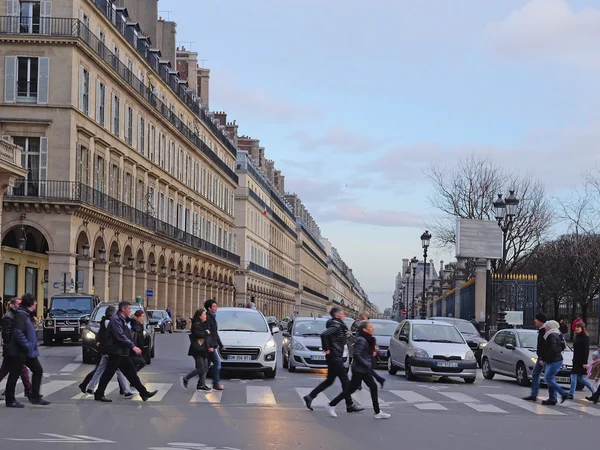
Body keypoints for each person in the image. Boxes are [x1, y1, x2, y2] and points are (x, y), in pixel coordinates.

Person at [93, 301, 157, 403]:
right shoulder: (115, 320)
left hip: (122, 352)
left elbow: (128, 330)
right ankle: (99, 394)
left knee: (131, 374)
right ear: (123, 309)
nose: (130, 311)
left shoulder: (121, 319)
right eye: (129, 309)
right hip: (116, 352)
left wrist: (131, 319)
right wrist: (133, 346)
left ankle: (144, 393)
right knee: (108, 374)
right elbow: (120, 336)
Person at [303, 306, 362, 413]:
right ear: (337, 315)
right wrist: (326, 349)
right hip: (335, 357)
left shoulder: (338, 325)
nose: (344, 315)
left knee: (330, 381)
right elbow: (324, 335)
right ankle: (349, 405)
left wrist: (355, 342)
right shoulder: (336, 325)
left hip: (334, 357)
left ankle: (310, 396)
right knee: (345, 381)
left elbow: (343, 337)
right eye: (342, 313)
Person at [326, 321, 390, 419]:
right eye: (370, 327)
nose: (373, 328)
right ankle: (331, 404)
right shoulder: (362, 340)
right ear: (364, 329)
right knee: (351, 390)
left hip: (362, 369)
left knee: (371, 387)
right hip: (360, 370)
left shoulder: (367, 339)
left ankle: (377, 412)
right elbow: (357, 354)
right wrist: (366, 363)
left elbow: (362, 352)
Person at [4, 293, 49, 407]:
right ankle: (10, 400)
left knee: (38, 370)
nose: (36, 304)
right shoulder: (21, 315)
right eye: (35, 302)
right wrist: (28, 345)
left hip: (26, 351)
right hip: (20, 351)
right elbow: (18, 333)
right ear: (31, 304)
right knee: (14, 375)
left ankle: (34, 396)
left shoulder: (25, 314)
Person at [79, 306, 132, 397]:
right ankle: (126, 391)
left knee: (100, 369)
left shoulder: (106, 321)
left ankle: (90, 388)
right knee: (119, 370)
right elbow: (114, 334)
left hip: (105, 349)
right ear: (112, 313)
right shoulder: (109, 322)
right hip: (109, 350)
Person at [0, 298, 32, 399]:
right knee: (11, 370)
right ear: (13, 305)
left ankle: (29, 390)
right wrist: (12, 346)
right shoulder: (8, 317)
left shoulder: (16, 315)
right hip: (11, 350)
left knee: (21, 370)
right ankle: (29, 391)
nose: (20, 305)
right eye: (18, 304)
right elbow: (6, 335)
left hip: (15, 349)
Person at [181, 308, 211, 391]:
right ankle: (186, 378)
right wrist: (206, 332)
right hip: (198, 349)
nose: (206, 316)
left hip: (203, 348)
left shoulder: (204, 324)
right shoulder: (197, 325)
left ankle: (201, 384)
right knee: (201, 368)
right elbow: (198, 334)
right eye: (204, 315)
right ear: (199, 316)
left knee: (205, 367)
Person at [541, 320, 570, 405]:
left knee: (548, 378)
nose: (545, 328)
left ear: (550, 327)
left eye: (546, 326)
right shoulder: (557, 334)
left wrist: (545, 358)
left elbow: (553, 349)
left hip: (554, 360)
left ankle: (563, 393)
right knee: (551, 379)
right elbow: (562, 346)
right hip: (555, 359)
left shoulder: (551, 335)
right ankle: (552, 398)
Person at [523, 312, 548, 402]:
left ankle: (555, 396)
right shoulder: (542, 330)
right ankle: (534, 394)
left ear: (540, 321)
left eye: (536, 319)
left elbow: (546, 346)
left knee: (548, 378)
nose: (534, 321)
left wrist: (543, 358)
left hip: (543, 358)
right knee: (535, 374)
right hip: (541, 357)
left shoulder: (545, 330)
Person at [569, 321, 595, 398]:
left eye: (578, 327)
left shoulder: (585, 338)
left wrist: (585, 362)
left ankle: (571, 394)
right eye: (576, 327)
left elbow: (586, 351)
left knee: (573, 376)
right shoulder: (577, 336)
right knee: (580, 378)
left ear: (582, 328)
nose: (576, 329)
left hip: (580, 361)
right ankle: (595, 392)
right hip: (576, 360)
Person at [204, 299, 224, 391]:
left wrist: (221, 344)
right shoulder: (208, 318)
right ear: (209, 308)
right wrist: (210, 346)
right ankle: (215, 383)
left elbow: (215, 333)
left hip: (211, 345)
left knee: (205, 366)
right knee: (217, 363)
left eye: (216, 306)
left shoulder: (212, 316)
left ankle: (200, 383)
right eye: (214, 307)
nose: (216, 308)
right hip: (209, 346)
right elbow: (208, 333)